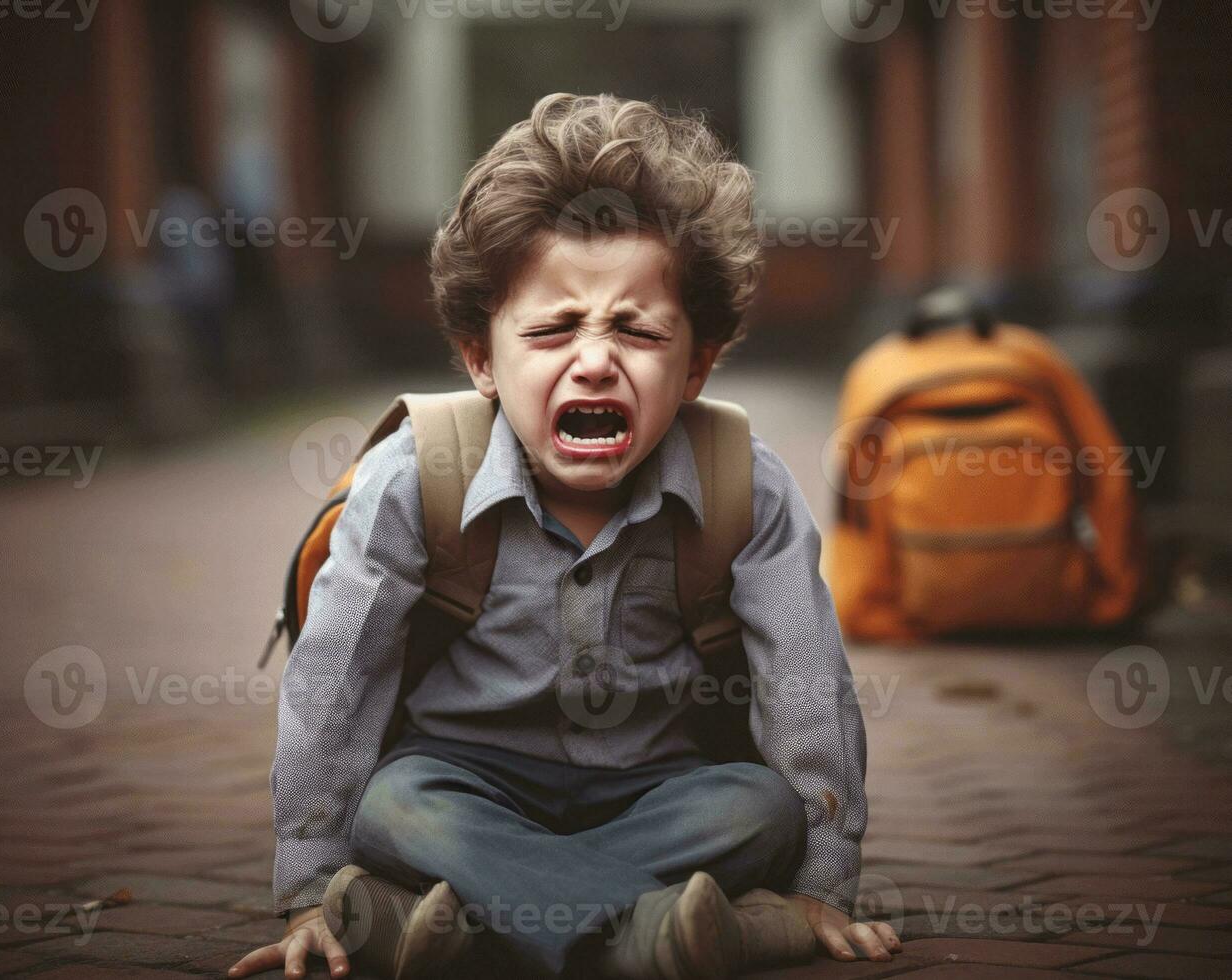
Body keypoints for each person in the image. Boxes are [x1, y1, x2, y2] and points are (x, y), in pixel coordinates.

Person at [229, 93, 901, 980]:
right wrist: (312, 886)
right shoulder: (412, 476)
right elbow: (333, 688)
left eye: (636, 328)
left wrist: (822, 876)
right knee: (392, 805)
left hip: (661, 792)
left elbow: (806, 688)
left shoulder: (746, 483)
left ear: (696, 362)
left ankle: (446, 932)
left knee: (762, 809)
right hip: (465, 784)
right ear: (480, 359)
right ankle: (676, 938)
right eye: (549, 330)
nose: (593, 358)